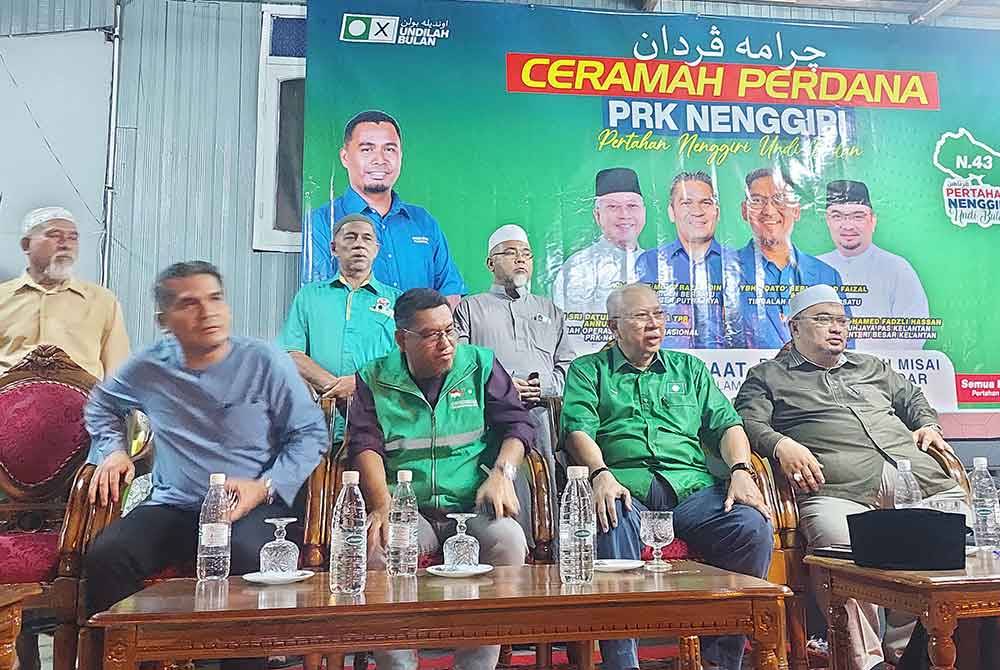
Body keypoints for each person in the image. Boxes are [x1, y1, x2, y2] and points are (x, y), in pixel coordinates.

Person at [83, 261, 328, 655]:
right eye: (189, 303)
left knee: (249, 559)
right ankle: (130, 660)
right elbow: (101, 405)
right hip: (176, 505)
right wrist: (113, 451)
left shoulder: (264, 361)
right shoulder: (150, 367)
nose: (208, 312)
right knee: (106, 556)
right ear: (165, 320)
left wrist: (264, 486)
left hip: (252, 506)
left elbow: (311, 434)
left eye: (215, 299)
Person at [734, 284, 969, 670]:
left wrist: (928, 425)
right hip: (836, 488)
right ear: (794, 327)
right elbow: (746, 420)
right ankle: (866, 662)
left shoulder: (871, 366)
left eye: (842, 321)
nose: (836, 328)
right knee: (841, 553)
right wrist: (780, 445)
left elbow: (913, 399)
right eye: (823, 319)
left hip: (914, 475)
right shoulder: (768, 376)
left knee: (960, 531)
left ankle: (907, 654)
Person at [561, 283, 774, 670]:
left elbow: (727, 425)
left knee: (750, 526)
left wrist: (741, 470)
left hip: (692, 492)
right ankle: (622, 663)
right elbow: (578, 430)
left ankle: (720, 658)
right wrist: (600, 473)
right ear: (614, 326)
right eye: (641, 316)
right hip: (629, 491)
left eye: (658, 314)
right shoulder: (589, 370)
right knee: (609, 517)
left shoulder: (688, 369)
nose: (654, 324)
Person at [350, 288, 535, 670]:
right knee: (378, 547)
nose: (446, 343)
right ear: (402, 339)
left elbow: (518, 424)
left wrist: (503, 474)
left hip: (473, 503)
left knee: (509, 539)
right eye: (431, 335)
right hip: (408, 507)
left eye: (450, 331)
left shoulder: (479, 364)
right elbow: (364, 444)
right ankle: (398, 666)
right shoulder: (374, 377)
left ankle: (476, 665)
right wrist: (381, 503)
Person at [454, 223, 576, 524]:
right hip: (489, 418)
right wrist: (503, 388)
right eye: (510, 252)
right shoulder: (470, 309)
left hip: (543, 417)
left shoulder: (551, 311)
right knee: (496, 503)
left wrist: (543, 387)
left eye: (526, 254)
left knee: (543, 492)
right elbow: (459, 365)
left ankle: (544, 549)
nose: (520, 258)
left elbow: (568, 367)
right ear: (490, 263)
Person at [305, 110, 465, 307]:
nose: (380, 160)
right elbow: (320, 303)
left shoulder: (423, 222)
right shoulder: (320, 223)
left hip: (424, 329)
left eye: (389, 149)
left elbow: (450, 293)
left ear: (400, 156)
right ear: (345, 157)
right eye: (367, 149)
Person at [279, 213, 401, 441]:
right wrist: (335, 387)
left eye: (367, 238)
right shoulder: (310, 296)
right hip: (319, 420)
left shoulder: (397, 300)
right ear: (334, 248)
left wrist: (359, 385)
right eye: (350, 237)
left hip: (379, 419)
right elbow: (291, 352)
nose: (359, 244)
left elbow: (402, 362)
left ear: (376, 249)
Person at [0, 207, 129, 379]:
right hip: (10, 394)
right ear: (26, 245)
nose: (66, 245)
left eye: (72, 238)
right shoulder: (3, 297)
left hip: (83, 395)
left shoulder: (102, 301)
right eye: (54, 235)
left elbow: (118, 373)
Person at [635, 171, 744, 349]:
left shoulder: (738, 264)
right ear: (672, 212)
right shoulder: (650, 263)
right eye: (686, 203)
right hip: (667, 362)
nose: (697, 211)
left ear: (716, 212)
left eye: (706, 202)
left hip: (726, 363)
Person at [736, 168, 843, 348]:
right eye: (757, 201)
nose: (769, 211)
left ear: (797, 210)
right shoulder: (724, 271)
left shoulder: (826, 275)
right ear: (744, 211)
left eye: (779, 199)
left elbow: (842, 345)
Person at [818, 180, 930, 350]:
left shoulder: (897, 268)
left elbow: (914, 334)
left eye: (858, 216)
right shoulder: (812, 267)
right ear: (828, 221)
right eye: (837, 216)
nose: (847, 226)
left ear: (873, 221)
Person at [551, 167, 646, 354]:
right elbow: (569, 339)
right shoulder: (577, 268)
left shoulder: (659, 266)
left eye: (632, 206)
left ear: (643, 212)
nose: (624, 214)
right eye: (613, 207)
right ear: (597, 215)